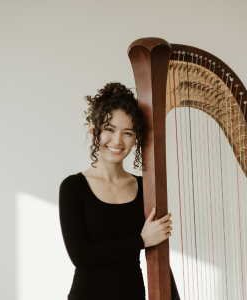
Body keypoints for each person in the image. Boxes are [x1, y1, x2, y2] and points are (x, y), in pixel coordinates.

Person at [59, 82, 180, 300]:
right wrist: (141, 240)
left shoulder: (146, 187)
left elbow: (159, 255)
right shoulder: (73, 187)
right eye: (109, 129)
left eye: (127, 132)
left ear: (136, 138)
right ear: (92, 128)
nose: (117, 141)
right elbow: (81, 256)